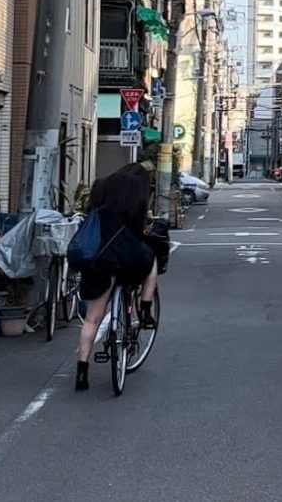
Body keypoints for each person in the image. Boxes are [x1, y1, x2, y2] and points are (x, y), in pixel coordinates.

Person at [74, 163, 159, 392]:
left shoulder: (101, 187)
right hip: (128, 257)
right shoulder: (136, 192)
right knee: (151, 262)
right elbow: (138, 228)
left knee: (92, 319)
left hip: (99, 259)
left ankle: (82, 371)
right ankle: (145, 310)